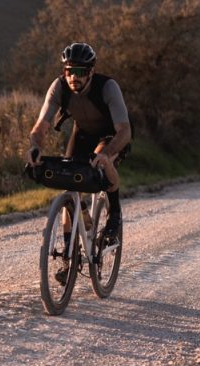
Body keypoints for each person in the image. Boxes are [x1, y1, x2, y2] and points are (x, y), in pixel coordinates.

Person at [25, 43, 132, 264]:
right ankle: (69, 256)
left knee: (101, 162)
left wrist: (108, 153)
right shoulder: (59, 87)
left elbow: (125, 130)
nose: (74, 77)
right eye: (69, 71)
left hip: (111, 135)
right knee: (69, 181)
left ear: (91, 71)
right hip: (82, 134)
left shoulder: (107, 87)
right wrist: (35, 147)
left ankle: (115, 213)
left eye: (81, 72)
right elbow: (40, 126)